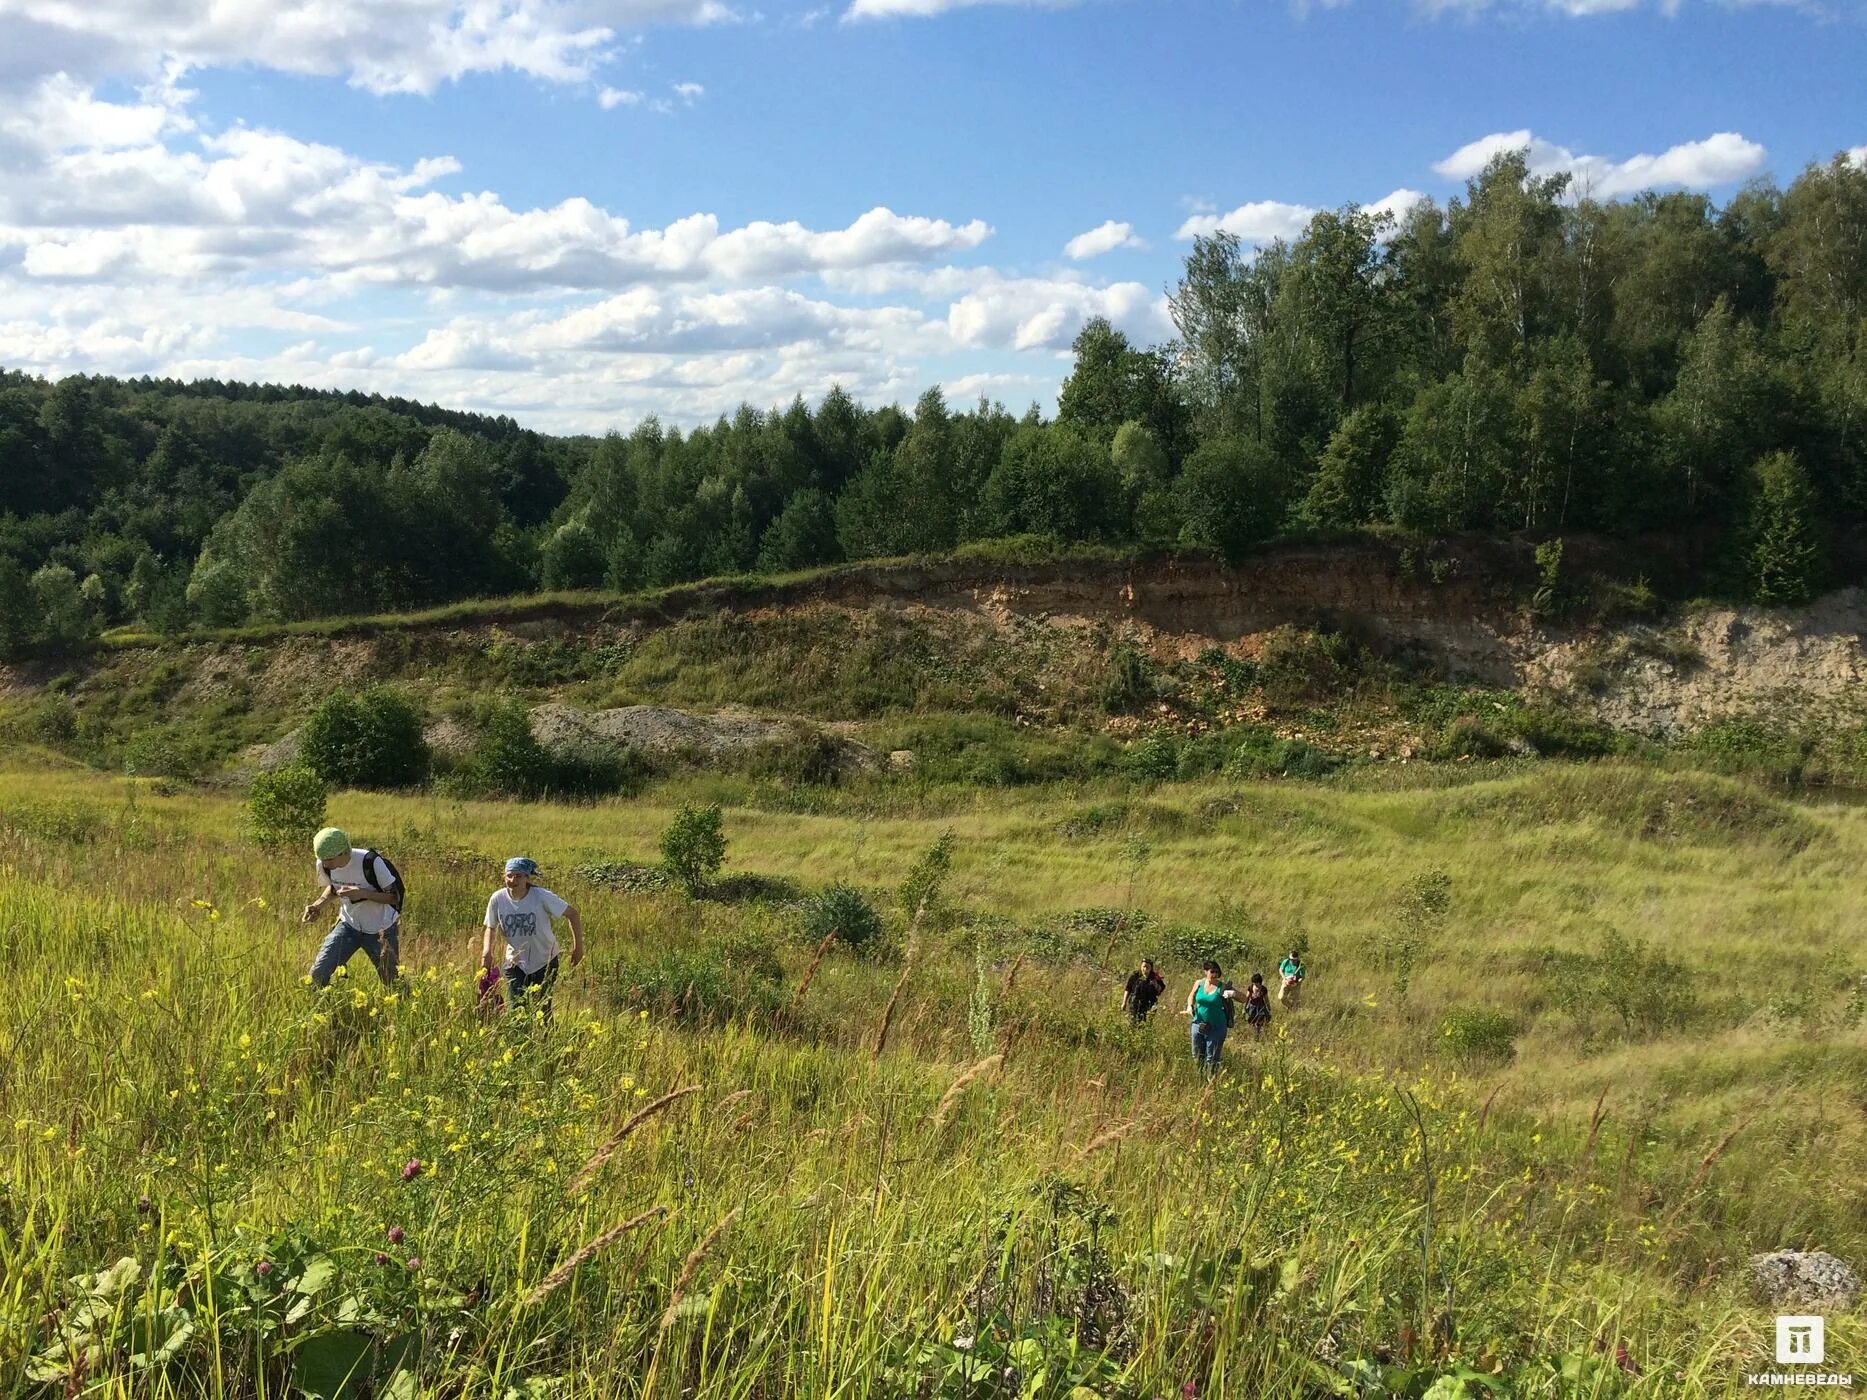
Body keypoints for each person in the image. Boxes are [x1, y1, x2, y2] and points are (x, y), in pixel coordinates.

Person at [302, 827, 404, 987]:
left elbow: (393, 897)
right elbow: (335, 888)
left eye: (329, 859)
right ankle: (321, 1009)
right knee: (318, 975)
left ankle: (401, 1009)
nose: (325, 864)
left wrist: (363, 893)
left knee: (393, 982)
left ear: (344, 853)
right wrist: (317, 906)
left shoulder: (371, 862)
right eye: (322, 859)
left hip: (382, 930)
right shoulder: (323, 863)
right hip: (348, 926)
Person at [482, 857, 584, 1016]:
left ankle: (547, 1039)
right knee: (517, 1010)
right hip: (515, 962)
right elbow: (491, 927)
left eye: (518, 876)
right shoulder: (497, 899)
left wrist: (578, 948)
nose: (513, 880)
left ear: (527, 878)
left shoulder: (541, 896)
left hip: (545, 960)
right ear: (504, 876)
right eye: (509, 875)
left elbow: (573, 914)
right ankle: (518, 1039)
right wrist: (487, 951)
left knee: (543, 1010)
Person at [1183, 961, 1235, 1075]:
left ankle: (1210, 1082)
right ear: (1205, 971)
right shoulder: (1199, 983)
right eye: (1212, 972)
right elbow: (1191, 995)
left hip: (1216, 1027)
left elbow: (1244, 998)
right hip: (1198, 1024)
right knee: (1196, 1055)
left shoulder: (1222, 987)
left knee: (1211, 1059)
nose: (1214, 975)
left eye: (1217, 972)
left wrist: (1233, 994)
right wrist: (1190, 1006)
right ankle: (1199, 1080)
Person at [1122, 957, 1167, 1025]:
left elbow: (1161, 989)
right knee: (1133, 1024)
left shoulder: (1155, 978)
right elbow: (1128, 989)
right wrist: (1124, 1002)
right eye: (1144, 966)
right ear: (1141, 966)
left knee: (1146, 1025)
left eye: (1147, 967)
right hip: (1135, 1004)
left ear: (1151, 968)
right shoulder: (1135, 976)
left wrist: (1154, 983)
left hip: (1149, 1006)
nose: (1145, 969)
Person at [1243, 972, 1272, 1040]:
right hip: (1252, 1007)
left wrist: (1269, 1008)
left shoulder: (1263, 989)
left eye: (1257, 983)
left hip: (1261, 1007)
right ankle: (1255, 1034)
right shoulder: (1250, 987)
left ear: (1260, 982)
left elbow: (1266, 999)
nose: (1255, 984)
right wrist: (1244, 1008)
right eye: (1254, 983)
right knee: (1252, 1022)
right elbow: (1247, 998)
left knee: (1259, 1023)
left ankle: (1257, 1035)